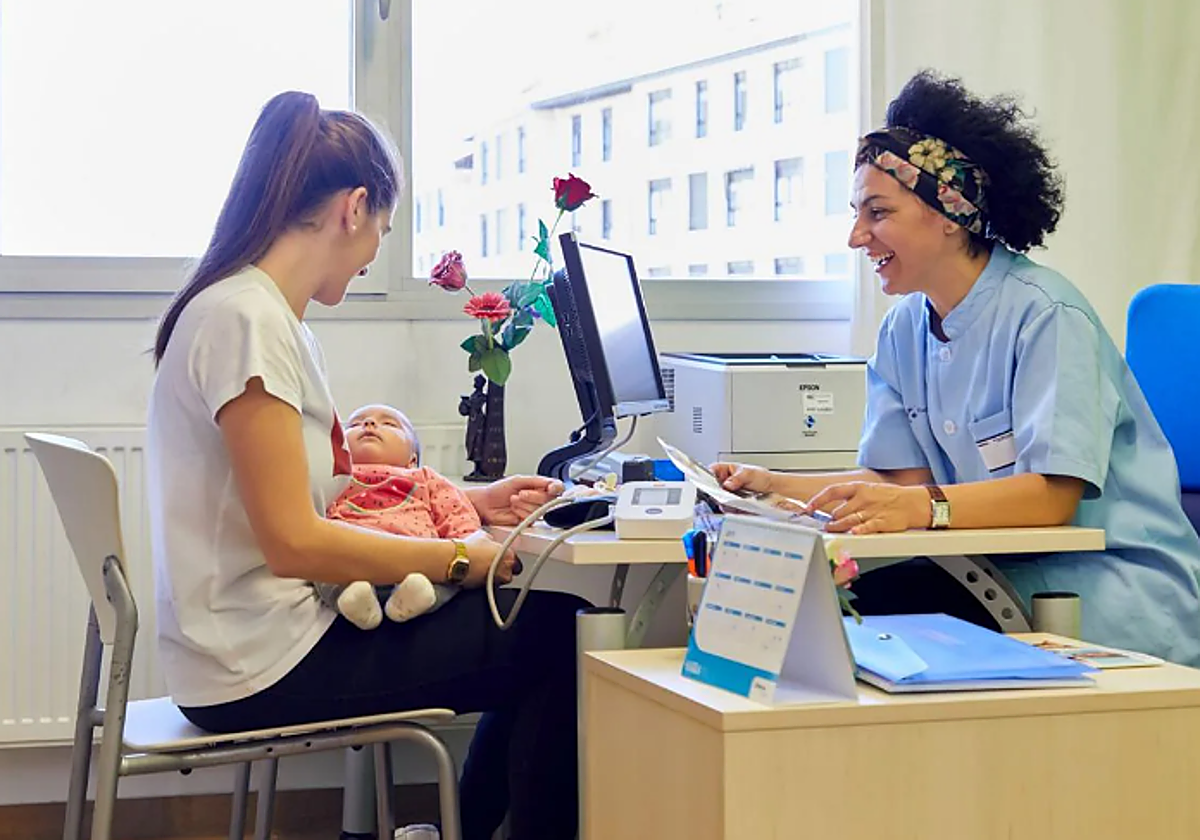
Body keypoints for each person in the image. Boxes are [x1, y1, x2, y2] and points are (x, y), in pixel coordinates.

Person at [146, 90, 587, 840]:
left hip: (243, 648)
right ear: (354, 208)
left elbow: (326, 496)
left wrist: (472, 503)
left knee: (543, 627)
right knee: (561, 629)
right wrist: (464, 560)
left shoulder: (254, 315)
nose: (378, 245)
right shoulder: (246, 321)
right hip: (257, 665)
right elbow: (296, 542)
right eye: (383, 225)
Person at [714, 70, 1200, 667]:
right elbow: (899, 483)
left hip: (1108, 589)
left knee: (847, 629)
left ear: (949, 213)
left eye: (878, 212)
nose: (855, 236)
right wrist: (773, 487)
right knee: (816, 621)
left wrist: (920, 510)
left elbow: (1052, 499)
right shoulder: (903, 329)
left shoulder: (1047, 315)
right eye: (855, 213)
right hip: (993, 575)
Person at [317, 403, 485, 629]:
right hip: (351, 561)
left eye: (389, 424)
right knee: (318, 566)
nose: (369, 424)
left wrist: (471, 542)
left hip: (420, 561)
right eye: (355, 424)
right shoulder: (332, 480)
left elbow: (456, 513)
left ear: (412, 460)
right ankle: (351, 598)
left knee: (451, 574)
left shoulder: (425, 478)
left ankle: (416, 597)